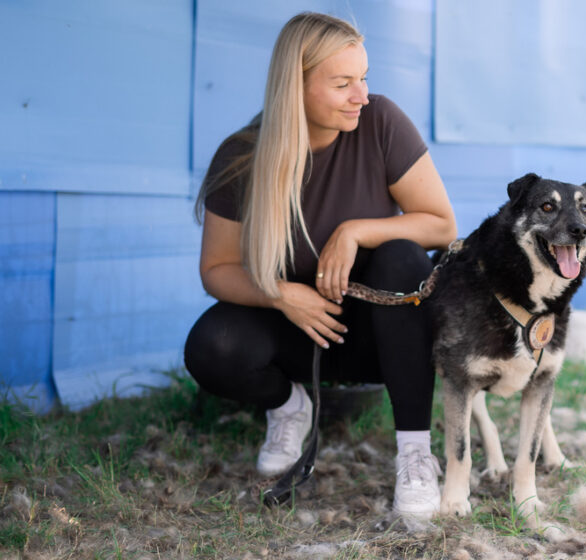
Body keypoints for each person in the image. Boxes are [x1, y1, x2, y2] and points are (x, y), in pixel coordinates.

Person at [183, 12, 457, 518]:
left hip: (378, 334)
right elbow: (217, 269)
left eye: (364, 78)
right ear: (297, 85)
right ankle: (289, 406)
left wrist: (355, 231)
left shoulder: (380, 122)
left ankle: (416, 452)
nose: (361, 95)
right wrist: (280, 294)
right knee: (211, 345)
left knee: (402, 256)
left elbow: (441, 225)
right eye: (343, 83)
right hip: (295, 333)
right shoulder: (241, 157)